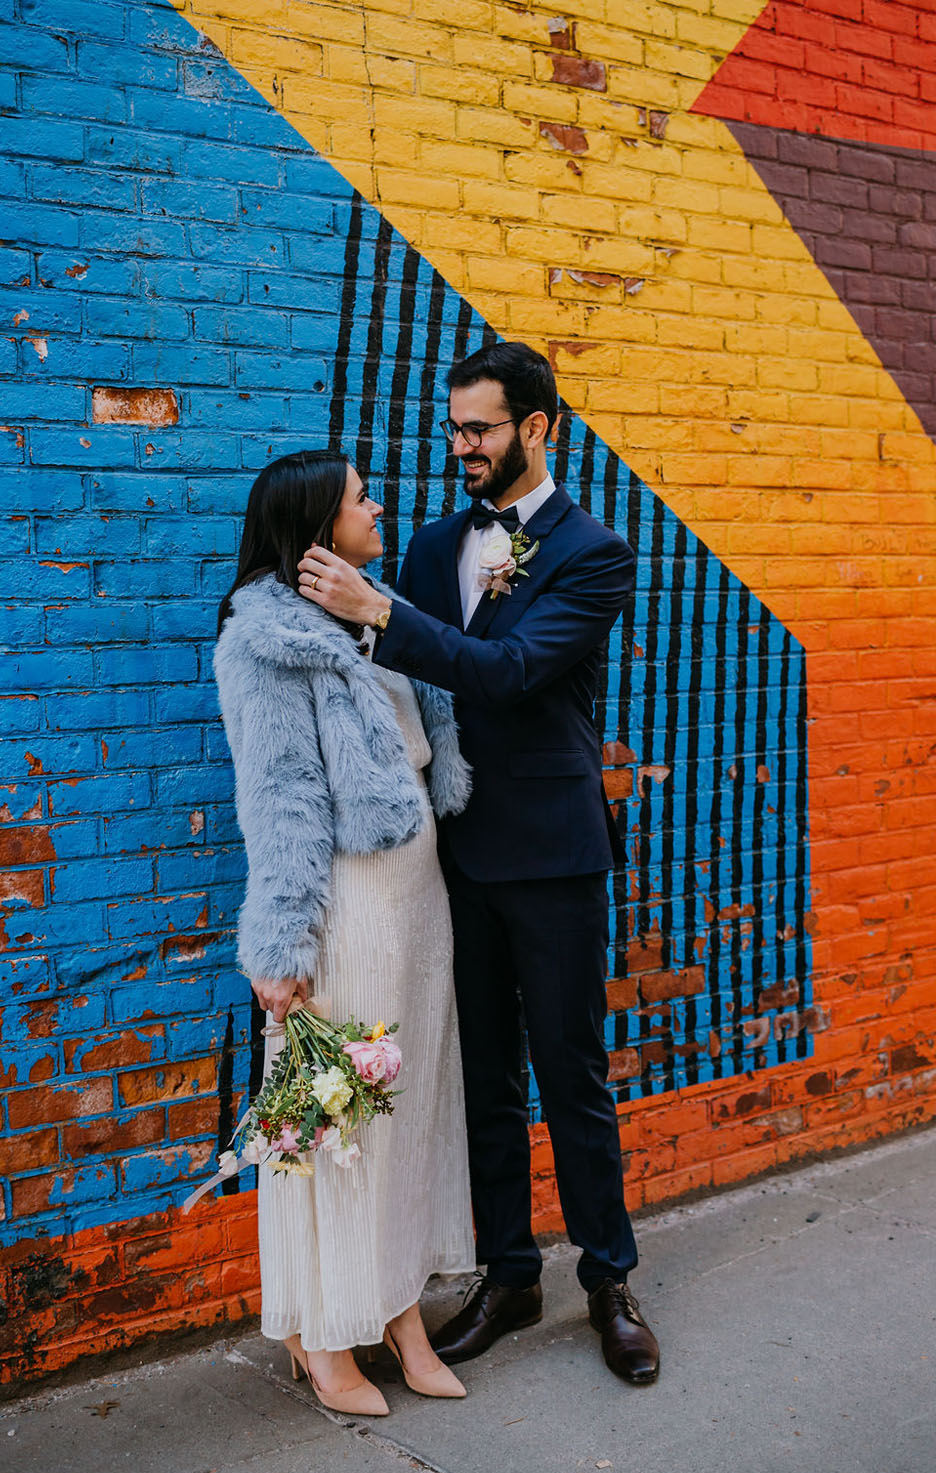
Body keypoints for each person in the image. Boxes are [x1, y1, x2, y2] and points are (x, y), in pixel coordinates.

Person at [297, 343, 660, 1386]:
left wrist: (384, 617)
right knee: (484, 1079)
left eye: (480, 428)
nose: (460, 445)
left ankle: (608, 1277)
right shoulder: (423, 546)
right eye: (454, 427)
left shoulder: (595, 551)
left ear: (537, 427)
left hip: (550, 855)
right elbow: (391, 694)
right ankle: (510, 1274)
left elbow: (507, 674)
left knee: (571, 1071)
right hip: (443, 853)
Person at [214, 451, 476, 1417]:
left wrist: (382, 616)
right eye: (363, 497)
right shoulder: (265, 642)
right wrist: (281, 953)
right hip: (345, 910)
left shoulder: (378, 616)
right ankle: (323, 1336)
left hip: (419, 904)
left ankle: (399, 1309)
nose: (380, 506)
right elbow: (278, 803)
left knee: (403, 1119)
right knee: (331, 1129)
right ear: (318, 529)